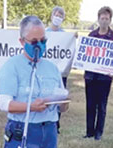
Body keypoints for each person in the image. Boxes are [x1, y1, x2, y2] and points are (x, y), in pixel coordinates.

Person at [0, 15, 69, 148]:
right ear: (22, 42)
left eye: (43, 41)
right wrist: (31, 107)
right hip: (23, 130)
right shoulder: (11, 66)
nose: (40, 46)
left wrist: (63, 103)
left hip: (49, 131)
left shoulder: (52, 68)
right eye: (34, 42)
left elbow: (62, 103)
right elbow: (4, 103)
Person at [84, 6, 113, 140]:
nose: (104, 21)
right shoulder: (91, 35)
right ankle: (89, 131)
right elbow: (85, 53)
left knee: (102, 106)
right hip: (90, 77)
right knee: (90, 105)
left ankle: (99, 132)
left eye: (107, 18)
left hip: (105, 78)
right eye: (102, 18)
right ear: (98, 19)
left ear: (110, 20)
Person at [46, 6, 69, 134]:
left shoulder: (65, 36)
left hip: (60, 72)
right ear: (51, 16)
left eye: (60, 16)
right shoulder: (44, 32)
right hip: (46, 72)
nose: (58, 17)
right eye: (56, 14)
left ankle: (56, 123)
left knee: (60, 98)